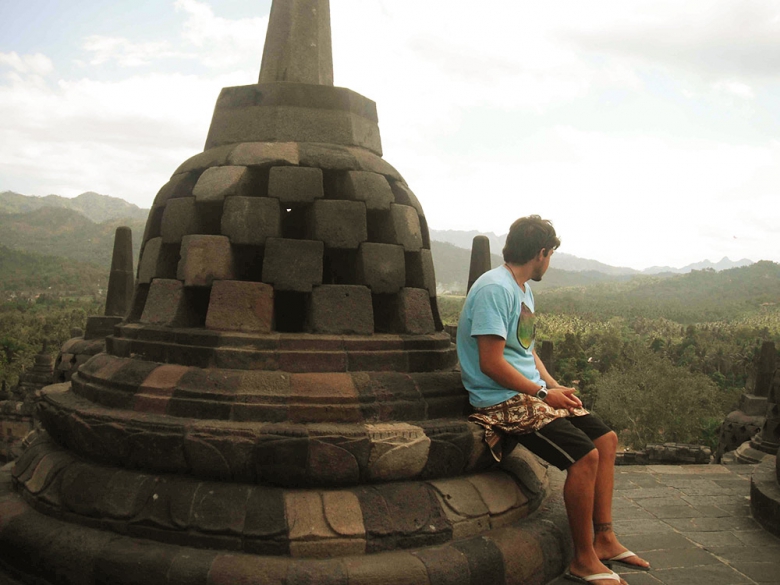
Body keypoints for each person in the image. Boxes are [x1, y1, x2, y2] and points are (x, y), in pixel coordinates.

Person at [456, 215, 650, 585]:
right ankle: (583, 558)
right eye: (550, 255)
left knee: (605, 440)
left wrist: (555, 388)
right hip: (499, 400)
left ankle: (604, 538)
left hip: (529, 392)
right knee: (583, 456)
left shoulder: (523, 289)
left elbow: (526, 353)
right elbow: (491, 363)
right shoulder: (495, 289)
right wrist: (543, 394)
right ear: (541, 252)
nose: (550, 261)